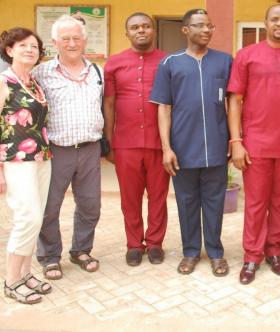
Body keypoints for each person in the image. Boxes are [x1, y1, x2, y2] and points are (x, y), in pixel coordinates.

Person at [227, 4, 280, 285]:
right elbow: (234, 100)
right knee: (256, 202)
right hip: (256, 142)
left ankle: (274, 250)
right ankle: (252, 255)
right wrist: (236, 141)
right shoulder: (247, 56)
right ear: (265, 23)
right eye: (275, 19)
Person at [150, 9, 232, 277]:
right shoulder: (170, 63)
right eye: (200, 26)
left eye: (210, 26)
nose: (206, 30)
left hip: (217, 147)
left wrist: (234, 138)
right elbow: (163, 107)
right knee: (186, 201)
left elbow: (233, 103)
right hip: (182, 147)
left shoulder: (224, 61)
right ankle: (191, 252)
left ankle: (216, 253)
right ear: (185, 30)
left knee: (215, 201)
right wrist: (166, 147)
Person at [33, 15, 104, 280]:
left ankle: (81, 251)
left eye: (76, 38)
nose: (72, 43)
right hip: (56, 150)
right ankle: (50, 257)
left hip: (89, 148)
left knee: (90, 205)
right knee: (50, 207)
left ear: (84, 40)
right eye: (66, 38)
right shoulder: (41, 73)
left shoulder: (98, 71)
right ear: (55, 43)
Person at [104, 12, 169, 266]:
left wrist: (170, 145)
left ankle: (154, 243)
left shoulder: (167, 61)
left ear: (153, 30)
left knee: (158, 196)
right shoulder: (114, 63)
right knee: (129, 198)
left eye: (146, 26)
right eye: (135, 27)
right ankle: (134, 243)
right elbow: (108, 104)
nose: (141, 30)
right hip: (126, 143)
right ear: (127, 32)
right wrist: (108, 141)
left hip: (157, 143)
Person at [0, 27, 52, 304]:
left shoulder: (33, 83)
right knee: (26, 217)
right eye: (23, 45)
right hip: (16, 160)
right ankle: (11, 281)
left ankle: (25, 273)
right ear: (10, 50)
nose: (30, 50)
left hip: (42, 158)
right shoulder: (3, 82)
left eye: (34, 46)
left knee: (37, 218)